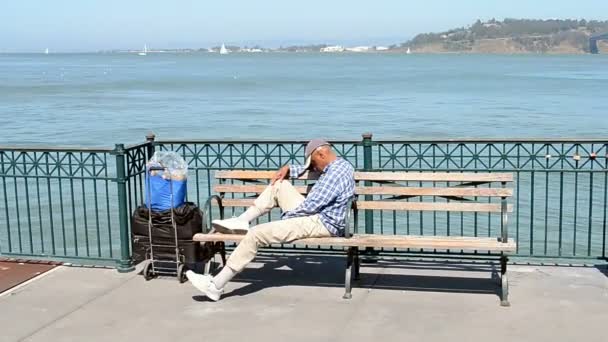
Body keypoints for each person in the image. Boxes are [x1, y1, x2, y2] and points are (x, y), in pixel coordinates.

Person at [186, 138, 355, 301]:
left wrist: (287, 218)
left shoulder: (334, 174)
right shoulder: (339, 165)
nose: (314, 169)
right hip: (319, 215)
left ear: (321, 155)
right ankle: (242, 220)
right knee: (279, 185)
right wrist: (289, 169)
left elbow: (311, 205)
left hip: (322, 223)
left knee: (256, 234)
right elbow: (312, 198)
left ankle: (215, 285)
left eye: (312, 164)